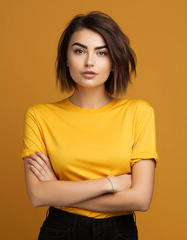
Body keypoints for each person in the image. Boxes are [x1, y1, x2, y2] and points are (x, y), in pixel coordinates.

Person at [21, 11, 159, 240]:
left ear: (114, 60)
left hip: (118, 232)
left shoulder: (139, 112)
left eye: (101, 52)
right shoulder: (39, 116)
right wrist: (112, 183)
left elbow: (141, 199)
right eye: (79, 51)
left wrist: (58, 190)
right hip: (61, 230)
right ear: (66, 58)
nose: (89, 62)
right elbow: (37, 195)